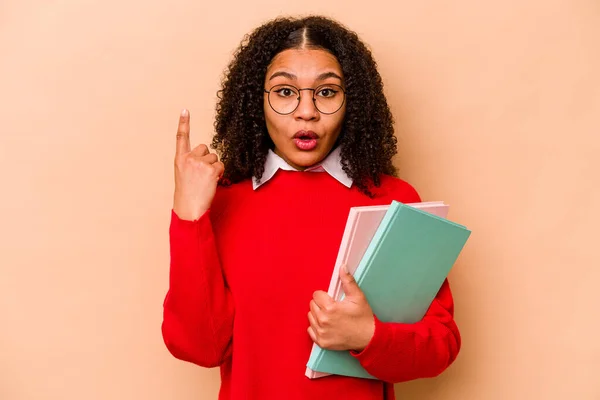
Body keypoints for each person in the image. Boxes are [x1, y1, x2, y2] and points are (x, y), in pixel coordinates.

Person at [161, 15, 461, 400]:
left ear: (352, 102)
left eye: (326, 92)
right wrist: (188, 216)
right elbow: (199, 347)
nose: (306, 111)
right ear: (257, 102)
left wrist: (368, 336)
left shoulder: (392, 199)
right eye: (285, 92)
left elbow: (441, 343)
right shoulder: (220, 200)